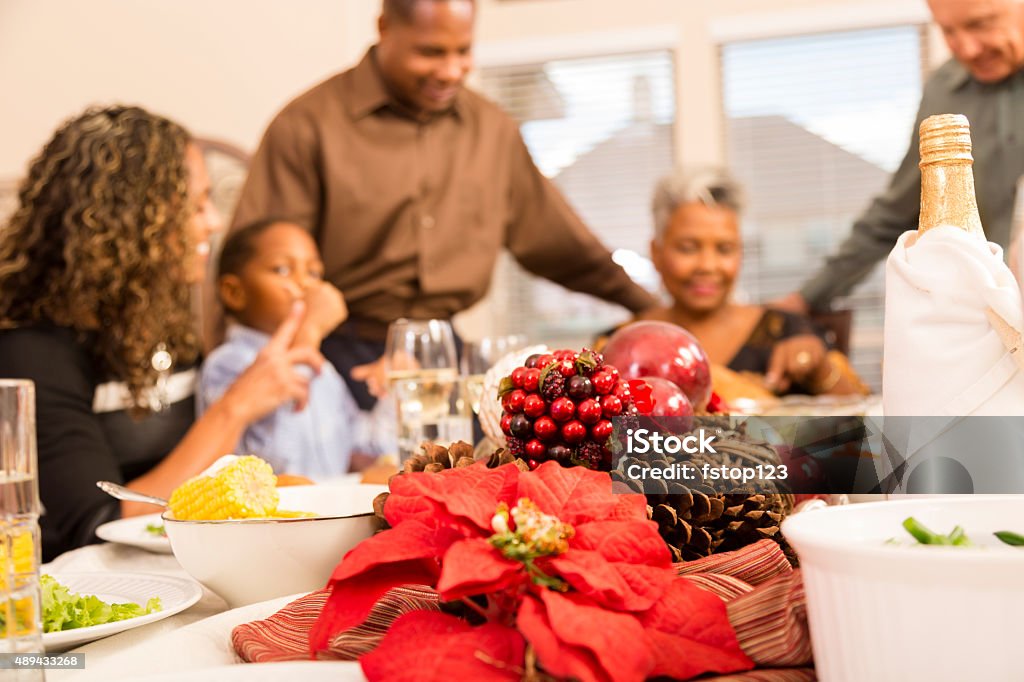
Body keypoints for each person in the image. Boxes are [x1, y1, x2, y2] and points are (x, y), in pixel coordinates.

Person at [230, 0, 657, 408]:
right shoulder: (306, 126)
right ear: (384, 29)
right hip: (335, 358)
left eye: (463, 50)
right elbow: (250, 271)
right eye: (431, 52)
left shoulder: (492, 130)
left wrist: (650, 309)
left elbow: (562, 245)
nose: (451, 71)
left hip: (446, 360)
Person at [0, 106, 327, 560]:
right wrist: (235, 407)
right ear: (130, 221)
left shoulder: (157, 319)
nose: (213, 222)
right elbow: (97, 526)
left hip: (181, 560)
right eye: (195, 205)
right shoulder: (32, 350)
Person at [779, 0, 1024, 314]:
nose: (967, 49)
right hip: (984, 326)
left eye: (980, 24)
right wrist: (806, 298)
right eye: (948, 30)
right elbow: (895, 211)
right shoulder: (943, 92)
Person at [638, 168, 868, 398]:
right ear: (656, 252)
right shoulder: (625, 345)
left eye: (725, 249)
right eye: (688, 248)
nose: (708, 265)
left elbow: (865, 425)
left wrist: (821, 372)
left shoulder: (791, 332)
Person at [199, 220, 391, 477]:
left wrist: (394, 395)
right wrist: (308, 334)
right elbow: (277, 463)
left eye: (313, 273)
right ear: (234, 292)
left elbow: (366, 447)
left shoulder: (323, 369)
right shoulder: (227, 363)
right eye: (282, 269)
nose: (305, 285)